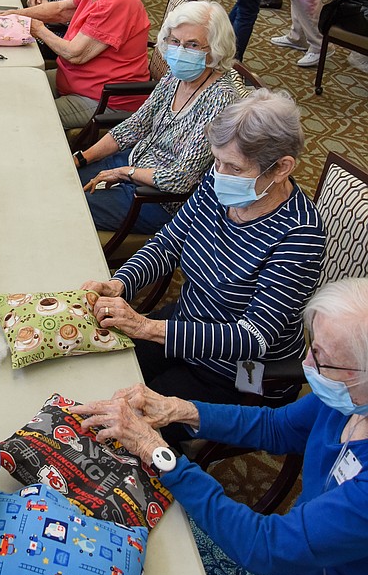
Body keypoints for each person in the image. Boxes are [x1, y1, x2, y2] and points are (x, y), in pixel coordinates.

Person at [74, 277, 368, 575]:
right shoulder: (347, 399)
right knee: (140, 556)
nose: (306, 366)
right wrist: (176, 408)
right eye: (311, 347)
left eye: (322, 360)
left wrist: (160, 454)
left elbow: (265, 546)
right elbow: (276, 426)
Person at [82, 89, 325, 419]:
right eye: (217, 160)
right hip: (187, 323)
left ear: (282, 168)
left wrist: (146, 327)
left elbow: (252, 338)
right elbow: (170, 242)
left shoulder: (300, 234)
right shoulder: (221, 178)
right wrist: (122, 283)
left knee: (125, 422)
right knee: (94, 375)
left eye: (235, 168)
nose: (219, 174)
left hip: (240, 372)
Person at [75, 0, 241, 234]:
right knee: (62, 179)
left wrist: (125, 174)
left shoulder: (221, 100)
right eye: (175, 41)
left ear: (215, 49)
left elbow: (181, 177)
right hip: (133, 161)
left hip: (156, 199)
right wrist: (83, 158)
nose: (180, 51)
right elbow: (136, 125)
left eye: (193, 45)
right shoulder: (176, 76)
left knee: (67, 207)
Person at [4, 0, 150, 127]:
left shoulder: (115, 2)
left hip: (104, 97)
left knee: (29, 114)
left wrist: (37, 29)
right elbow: (61, 10)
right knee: (15, 88)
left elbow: (75, 54)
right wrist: (15, 15)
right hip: (75, 79)